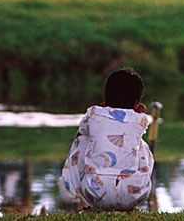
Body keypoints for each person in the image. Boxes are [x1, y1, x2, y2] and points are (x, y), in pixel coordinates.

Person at [61, 68, 154, 211]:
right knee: (142, 146)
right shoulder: (140, 119)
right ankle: (129, 204)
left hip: (95, 191)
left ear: (105, 99)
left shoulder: (93, 113)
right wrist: (138, 110)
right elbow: (137, 115)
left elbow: (80, 134)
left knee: (83, 140)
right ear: (136, 102)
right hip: (132, 193)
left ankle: (89, 200)